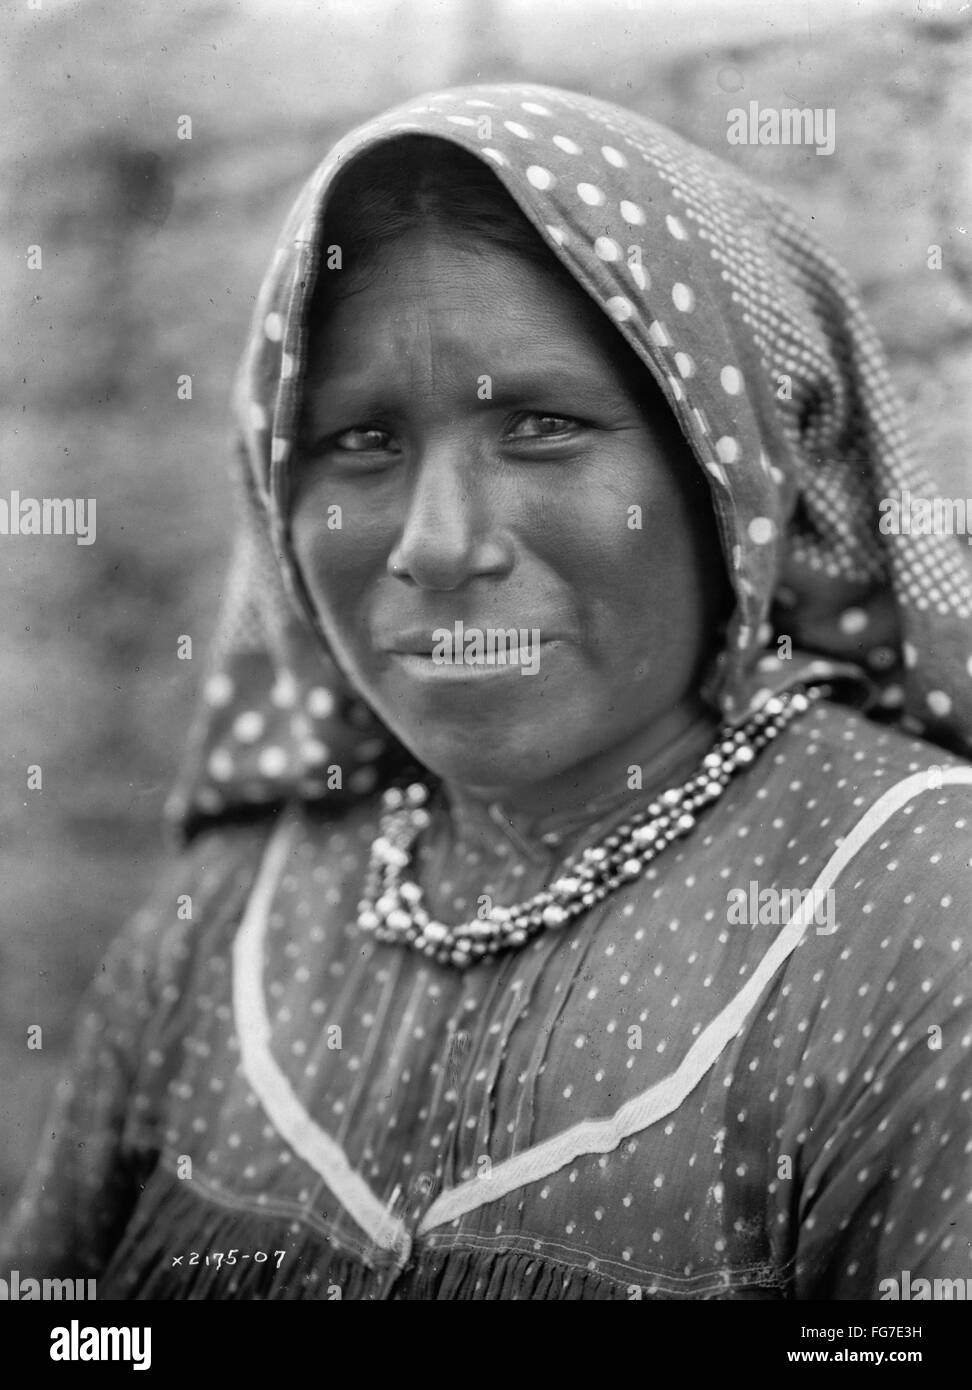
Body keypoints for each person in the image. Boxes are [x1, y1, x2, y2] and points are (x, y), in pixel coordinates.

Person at [2, 82, 971, 1301]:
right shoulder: (228, 915)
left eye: (544, 425)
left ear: (733, 473)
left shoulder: (915, 905)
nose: (439, 543)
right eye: (362, 442)